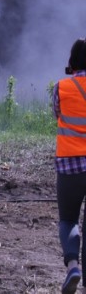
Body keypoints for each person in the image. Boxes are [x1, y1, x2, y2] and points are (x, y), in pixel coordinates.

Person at [53, 37, 86, 294]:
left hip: (69, 165)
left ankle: (73, 266)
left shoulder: (62, 87)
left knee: (67, 219)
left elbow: (57, 114)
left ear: (72, 61)